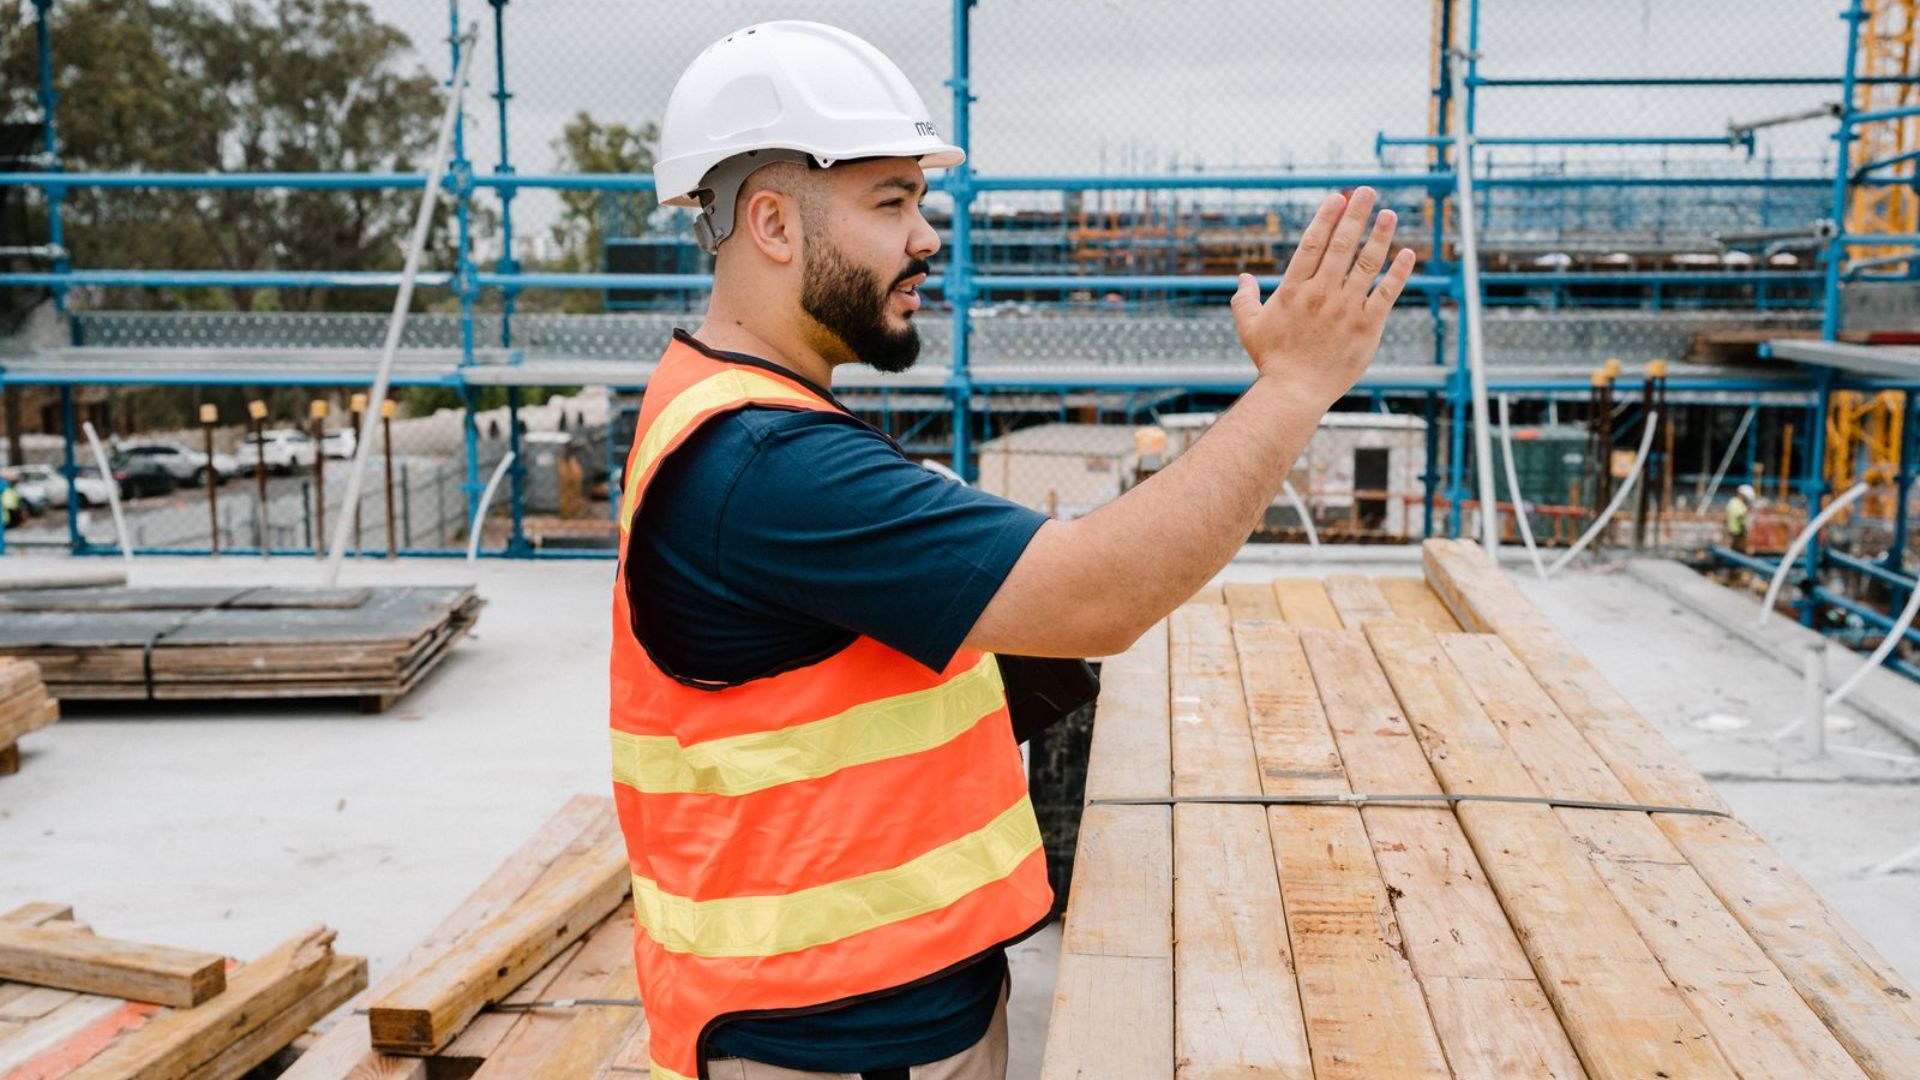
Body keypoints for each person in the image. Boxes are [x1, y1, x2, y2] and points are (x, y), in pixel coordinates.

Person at [610, 21, 1415, 1080]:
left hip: (873, 1012)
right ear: (771, 222)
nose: (927, 236)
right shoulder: (764, 462)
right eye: (891, 201)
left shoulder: (748, 415)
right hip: (837, 1042)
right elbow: (1095, 596)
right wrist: (1296, 388)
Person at [1728, 482, 1755, 553]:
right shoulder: (1735, 503)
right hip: (1736, 535)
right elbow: (1742, 516)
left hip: (1738, 534)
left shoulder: (1739, 503)